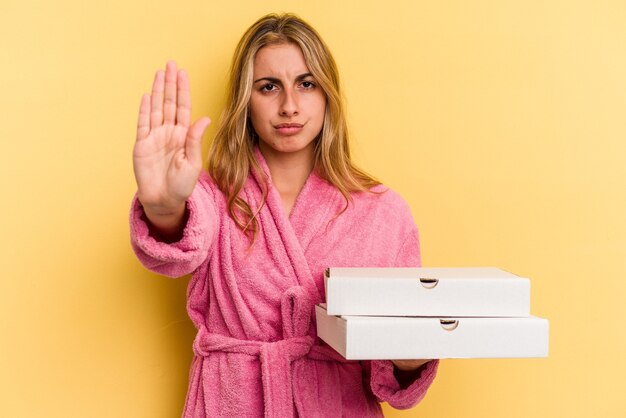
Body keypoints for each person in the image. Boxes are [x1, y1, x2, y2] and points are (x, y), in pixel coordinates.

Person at [130, 13, 438, 418]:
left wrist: (410, 357)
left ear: (328, 95)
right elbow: (179, 245)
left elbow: (395, 376)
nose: (289, 106)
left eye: (306, 84)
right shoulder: (212, 196)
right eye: (268, 87)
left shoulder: (383, 211)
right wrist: (164, 207)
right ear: (246, 101)